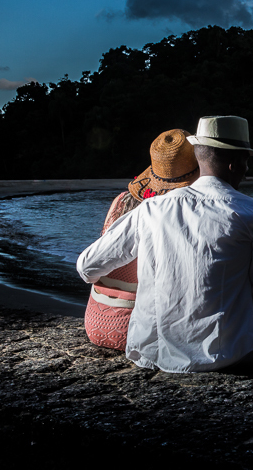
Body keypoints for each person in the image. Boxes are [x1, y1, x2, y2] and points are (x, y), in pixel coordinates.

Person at [77, 115, 253, 372]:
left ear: (198, 155)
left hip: (150, 352)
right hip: (227, 354)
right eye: (246, 163)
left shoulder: (150, 210)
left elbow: (86, 266)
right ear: (235, 164)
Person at [83, 128, 199, 351]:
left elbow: (90, 267)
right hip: (139, 328)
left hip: (97, 319)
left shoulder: (120, 202)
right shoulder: (174, 214)